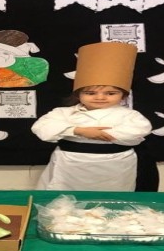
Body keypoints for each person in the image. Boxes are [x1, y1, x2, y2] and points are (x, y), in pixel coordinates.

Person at [31, 41, 152, 191]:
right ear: (78, 94)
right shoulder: (63, 113)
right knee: (64, 198)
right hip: (69, 166)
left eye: (110, 93)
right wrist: (78, 131)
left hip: (116, 166)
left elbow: (139, 130)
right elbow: (41, 127)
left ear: (123, 96)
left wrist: (100, 134)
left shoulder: (130, 115)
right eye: (90, 93)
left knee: (113, 198)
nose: (100, 97)